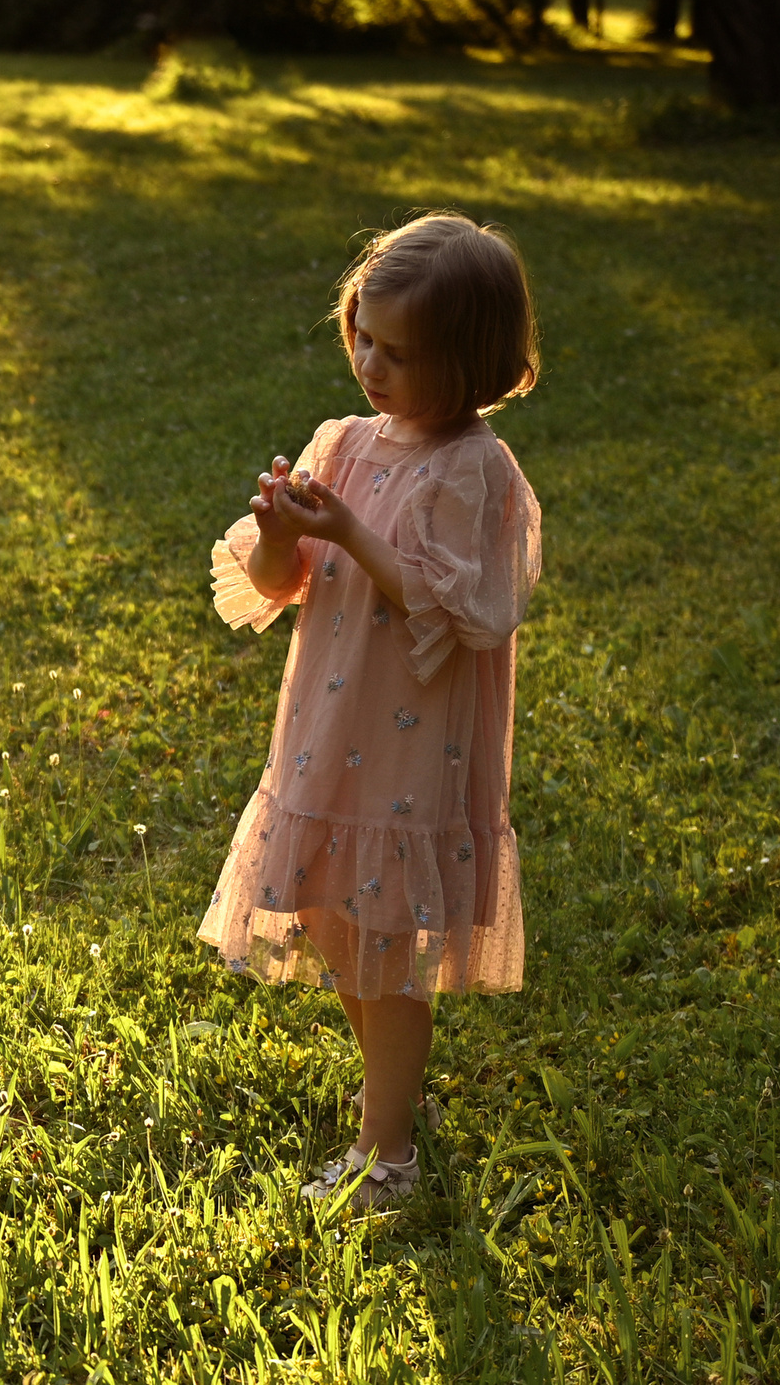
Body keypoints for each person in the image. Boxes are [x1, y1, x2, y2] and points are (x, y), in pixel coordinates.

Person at [199, 212, 543, 1213]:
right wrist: (279, 532)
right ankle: (396, 1092)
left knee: (384, 939)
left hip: (411, 743)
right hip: (330, 727)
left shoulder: (474, 467)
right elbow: (280, 584)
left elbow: (459, 605)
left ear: (469, 364)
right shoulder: (343, 444)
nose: (369, 364)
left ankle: (385, 1154)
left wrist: (349, 529)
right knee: (333, 917)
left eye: (399, 353)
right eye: (363, 336)